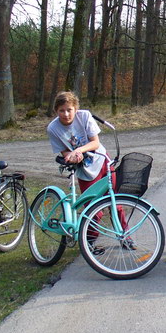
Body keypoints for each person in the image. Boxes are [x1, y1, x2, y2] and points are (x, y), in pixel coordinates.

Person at [47, 91, 122, 253]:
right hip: (85, 170)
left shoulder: (85, 116)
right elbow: (64, 152)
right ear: (56, 111)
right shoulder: (53, 128)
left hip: (102, 161)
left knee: (116, 202)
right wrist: (72, 157)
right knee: (94, 210)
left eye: (69, 110)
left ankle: (125, 236)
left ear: (75, 109)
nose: (66, 114)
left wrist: (79, 150)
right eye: (62, 111)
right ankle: (89, 242)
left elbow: (95, 143)